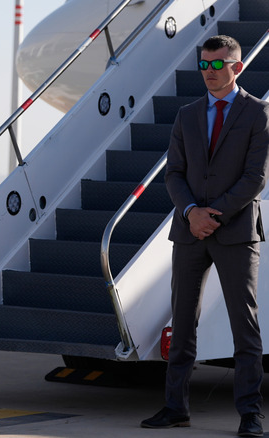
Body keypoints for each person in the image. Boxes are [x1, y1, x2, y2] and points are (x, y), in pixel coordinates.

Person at [141, 35, 269, 437]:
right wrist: (191, 213)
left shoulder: (258, 113)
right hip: (190, 230)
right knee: (182, 324)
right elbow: (173, 174)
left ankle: (250, 413)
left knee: (243, 327)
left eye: (217, 64)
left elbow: (256, 177)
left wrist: (214, 214)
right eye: (204, 64)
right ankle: (175, 407)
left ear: (237, 67)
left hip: (235, 231)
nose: (209, 72)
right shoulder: (187, 114)